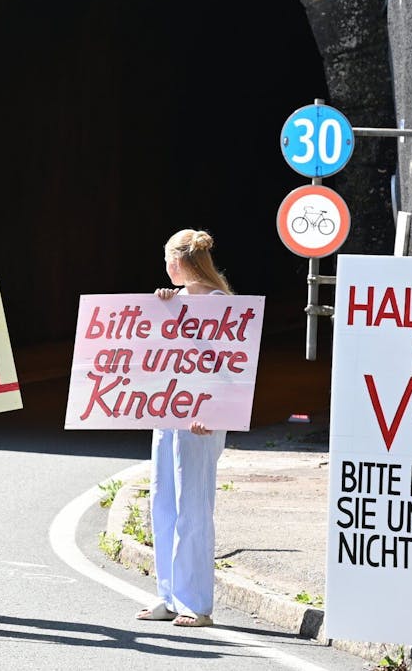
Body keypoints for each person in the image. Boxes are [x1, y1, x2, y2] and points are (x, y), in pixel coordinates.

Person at [137, 228, 232, 629]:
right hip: (169, 413)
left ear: (177, 262)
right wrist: (164, 309)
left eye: (166, 260)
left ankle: (196, 603)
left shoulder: (219, 303)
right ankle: (168, 595)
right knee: (163, 503)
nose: (164, 268)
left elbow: (231, 364)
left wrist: (214, 412)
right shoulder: (173, 301)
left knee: (193, 507)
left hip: (202, 420)